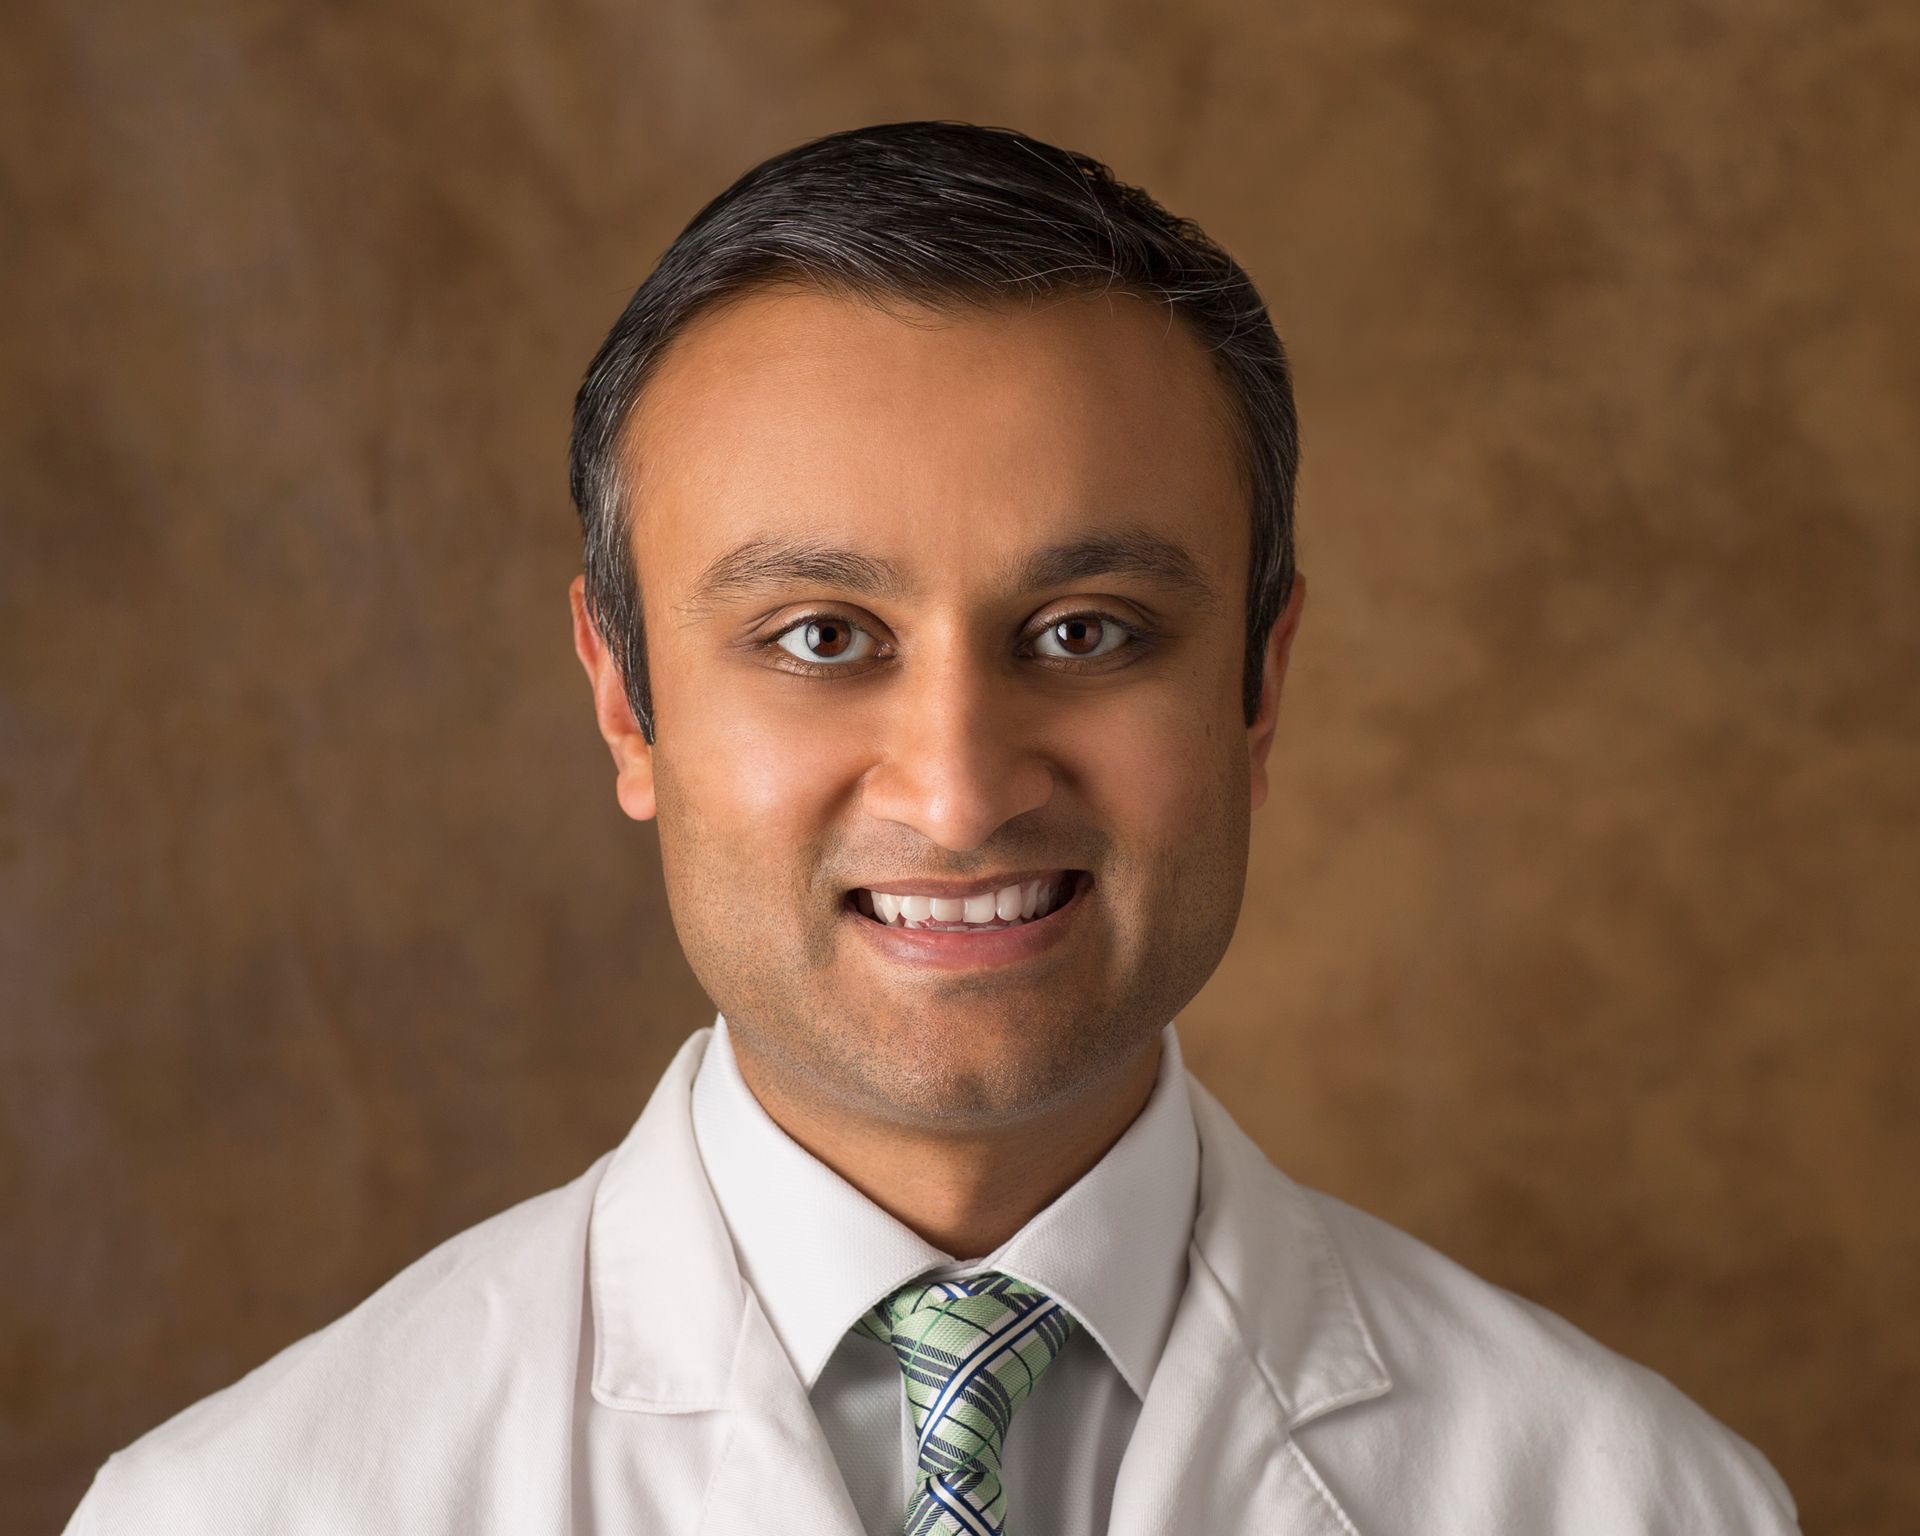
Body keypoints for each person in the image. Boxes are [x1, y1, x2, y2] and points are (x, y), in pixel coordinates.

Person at [63, 120, 1800, 1536]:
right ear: (626, 701)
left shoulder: (1643, 1501)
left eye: (1088, 632)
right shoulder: (244, 1507)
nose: (961, 795)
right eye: (822, 638)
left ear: (1257, 691)